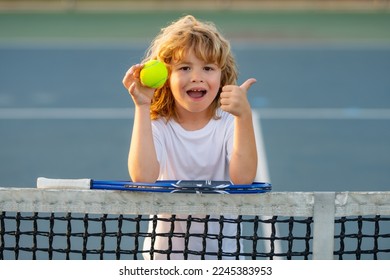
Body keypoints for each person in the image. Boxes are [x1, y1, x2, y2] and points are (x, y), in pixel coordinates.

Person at [122, 15, 258, 260]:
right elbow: (143, 178)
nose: (196, 77)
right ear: (165, 77)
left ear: (222, 76)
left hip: (223, 257)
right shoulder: (158, 125)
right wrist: (142, 107)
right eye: (185, 68)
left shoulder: (229, 122)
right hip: (164, 258)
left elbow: (243, 179)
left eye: (208, 68)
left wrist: (244, 116)